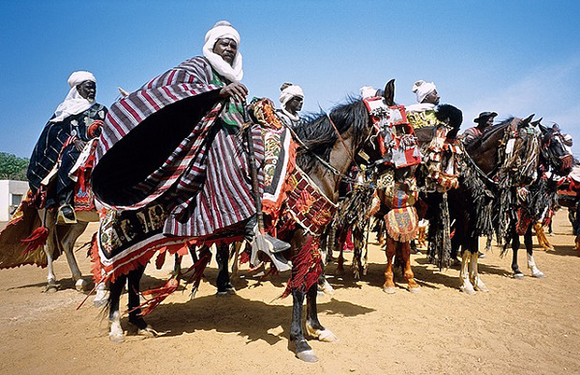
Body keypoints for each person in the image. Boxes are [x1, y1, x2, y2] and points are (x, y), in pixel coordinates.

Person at [92, 21, 289, 265]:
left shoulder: (233, 75)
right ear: (212, 45)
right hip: (204, 133)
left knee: (263, 147)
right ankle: (251, 229)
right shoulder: (198, 65)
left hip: (235, 129)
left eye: (233, 45)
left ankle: (265, 223)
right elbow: (175, 88)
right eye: (224, 43)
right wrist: (218, 93)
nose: (229, 48)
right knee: (226, 151)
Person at [27, 71, 107, 222]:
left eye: (94, 88)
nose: (92, 91)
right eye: (88, 87)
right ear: (77, 89)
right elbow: (54, 131)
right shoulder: (66, 110)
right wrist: (72, 140)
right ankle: (64, 202)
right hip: (76, 147)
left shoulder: (102, 110)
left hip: (98, 145)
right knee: (70, 156)